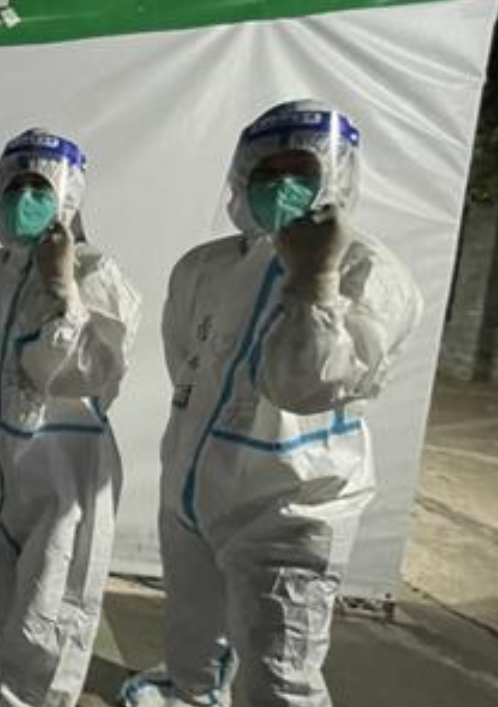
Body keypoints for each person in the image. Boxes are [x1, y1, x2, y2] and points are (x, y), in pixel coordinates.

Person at [118, 100, 422, 707]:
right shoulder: (204, 268)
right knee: (193, 637)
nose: (282, 185)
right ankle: (192, 695)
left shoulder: (370, 274)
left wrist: (316, 278)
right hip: (195, 491)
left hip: (290, 508)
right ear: (241, 179)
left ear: (335, 176)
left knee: (277, 677)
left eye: (301, 170)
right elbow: (188, 369)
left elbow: (306, 385)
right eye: (266, 171)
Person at [0, 129, 141, 707]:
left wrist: (62, 289)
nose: (24, 198)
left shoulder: (95, 272)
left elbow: (89, 373)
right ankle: (14, 683)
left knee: (53, 600)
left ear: (68, 196)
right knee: (4, 587)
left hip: (61, 471)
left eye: (40, 187)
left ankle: (37, 698)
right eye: (14, 186)